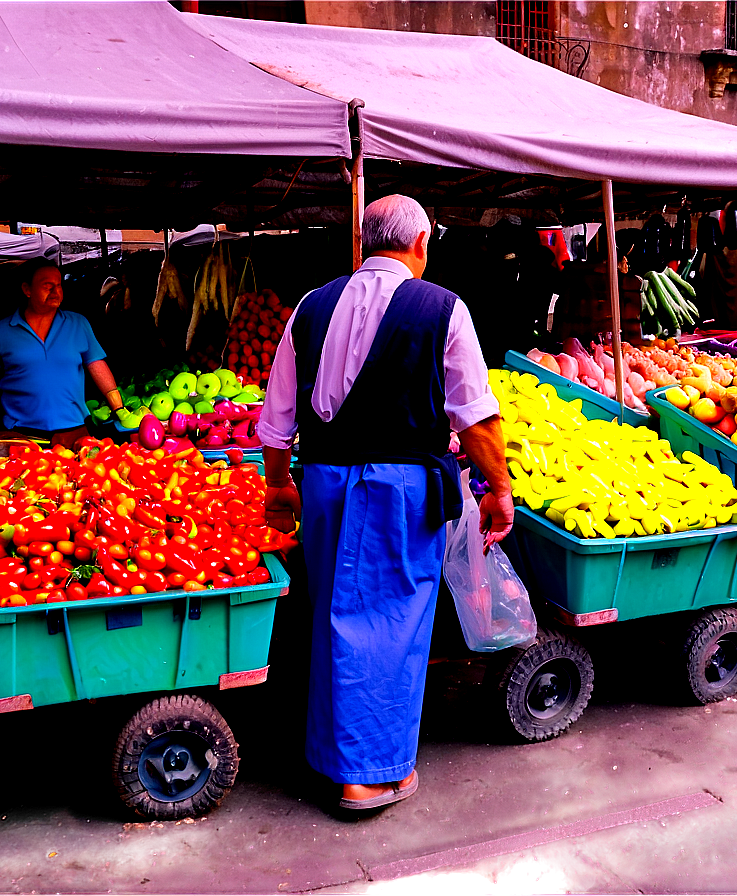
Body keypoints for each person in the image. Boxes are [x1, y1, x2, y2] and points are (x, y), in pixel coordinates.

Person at [258, 194, 514, 812]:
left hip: (323, 482)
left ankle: (336, 755)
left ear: (363, 243)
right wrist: (501, 488)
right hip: (396, 490)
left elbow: (275, 421)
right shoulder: (444, 309)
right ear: (420, 244)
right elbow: (475, 420)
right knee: (387, 623)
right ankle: (366, 772)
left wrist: (280, 485)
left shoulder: (311, 307)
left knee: (334, 615)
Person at [0, 258, 125, 448]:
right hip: (22, 436)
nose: (56, 292)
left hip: (75, 434)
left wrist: (120, 410)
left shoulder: (78, 324)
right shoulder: (1, 331)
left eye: (58, 285)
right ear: (27, 290)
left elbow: (97, 365)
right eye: (47, 286)